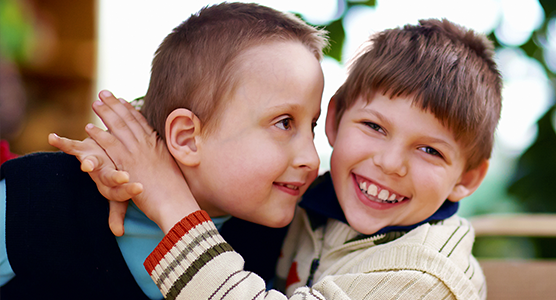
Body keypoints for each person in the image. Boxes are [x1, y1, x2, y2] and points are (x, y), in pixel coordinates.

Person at [66, 18, 502, 300]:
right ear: (332, 119)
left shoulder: (427, 278)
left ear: (467, 178)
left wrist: (167, 197)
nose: (390, 164)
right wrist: (124, 150)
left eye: (430, 150)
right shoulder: (315, 203)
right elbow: (217, 127)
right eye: (374, 127)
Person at [0, 3, 326, 299]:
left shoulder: (286, 238)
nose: (311, 159)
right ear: (185, 138)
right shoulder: (37, 200)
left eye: (312, 125)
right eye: (284, 123)